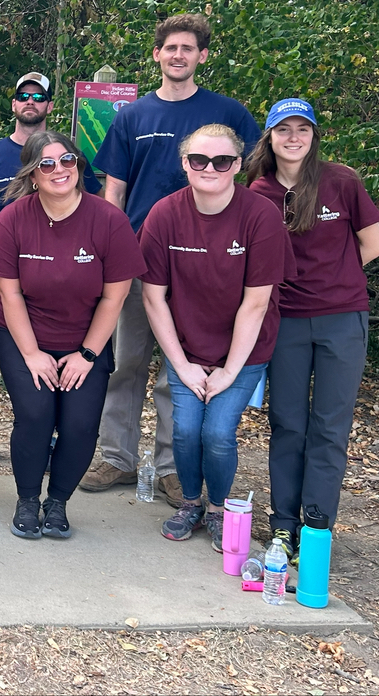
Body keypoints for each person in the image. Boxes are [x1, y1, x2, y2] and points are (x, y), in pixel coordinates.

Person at [82, 14, 261, 507]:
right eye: (170, 48)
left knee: (176, 371)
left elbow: (249, 177)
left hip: (204, 267)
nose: (178, 55)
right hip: (138, 262)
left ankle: (170, 467)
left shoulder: (226, 114)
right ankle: (115, 457)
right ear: (157, 55)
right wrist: (107, 252)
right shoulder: (133, 117)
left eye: (188, 48)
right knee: (125, 362)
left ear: (202, 56)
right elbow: (113, 189)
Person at [139, 124, 291, 550]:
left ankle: (219, 508)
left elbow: (256, 303)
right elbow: (153, 298)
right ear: (184, 164)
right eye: (199, 160)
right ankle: (190, 503)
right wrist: (183, 365)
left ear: (238, 165)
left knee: (218, 432)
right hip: (186, 346)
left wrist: (228, 371)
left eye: (222, 161)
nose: (210, 168)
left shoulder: (260, 215)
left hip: (244, 350)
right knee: (185, 430)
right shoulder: (164, 215)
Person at [0, 132, 144, 539]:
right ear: (33, 174)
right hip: (24, 335)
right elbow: (9, 292)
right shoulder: (13, 217)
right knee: (36, 415)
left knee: (78, 425)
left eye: (67, 160)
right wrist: (33, 354)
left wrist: (87, 355)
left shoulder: (109, 219)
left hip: (85, 338)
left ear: (79, 165)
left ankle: (57, 503)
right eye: (47, 164)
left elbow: (116, 295)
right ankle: (26, 500)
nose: (60, 170)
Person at [247, 98, 379, 564]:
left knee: (329, 424)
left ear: (313, 135)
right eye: (283, 129)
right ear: (269, 136)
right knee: (287, 422)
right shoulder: (257, 189)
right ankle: (283, 525)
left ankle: (316, 522)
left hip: (342, 317)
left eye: (302, 129)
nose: (293, 138)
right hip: (284, 319)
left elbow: (373, 244)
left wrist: (335, 280)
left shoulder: (341, 181)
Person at [0, 71, 100, 465]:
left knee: (47, 360)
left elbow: (94, 209)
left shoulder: (69, 158)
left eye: (39, 96)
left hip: (50, 282)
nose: (30, 101)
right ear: (14, 104)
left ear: (50, 105)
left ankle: (42, 436)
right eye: (23, 95)